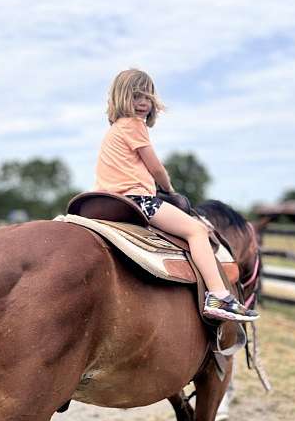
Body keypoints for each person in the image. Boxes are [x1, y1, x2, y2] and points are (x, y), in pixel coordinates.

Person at [94, 68, 259, 323]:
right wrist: (168, 189)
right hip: (138, 200)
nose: (142, 103)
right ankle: (218, 295)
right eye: (135, 96)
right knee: (197, 231)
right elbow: (156, 167)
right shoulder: (134, 125)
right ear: (121, 98)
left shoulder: (114, 129)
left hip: (106, 199)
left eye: (147, 97)